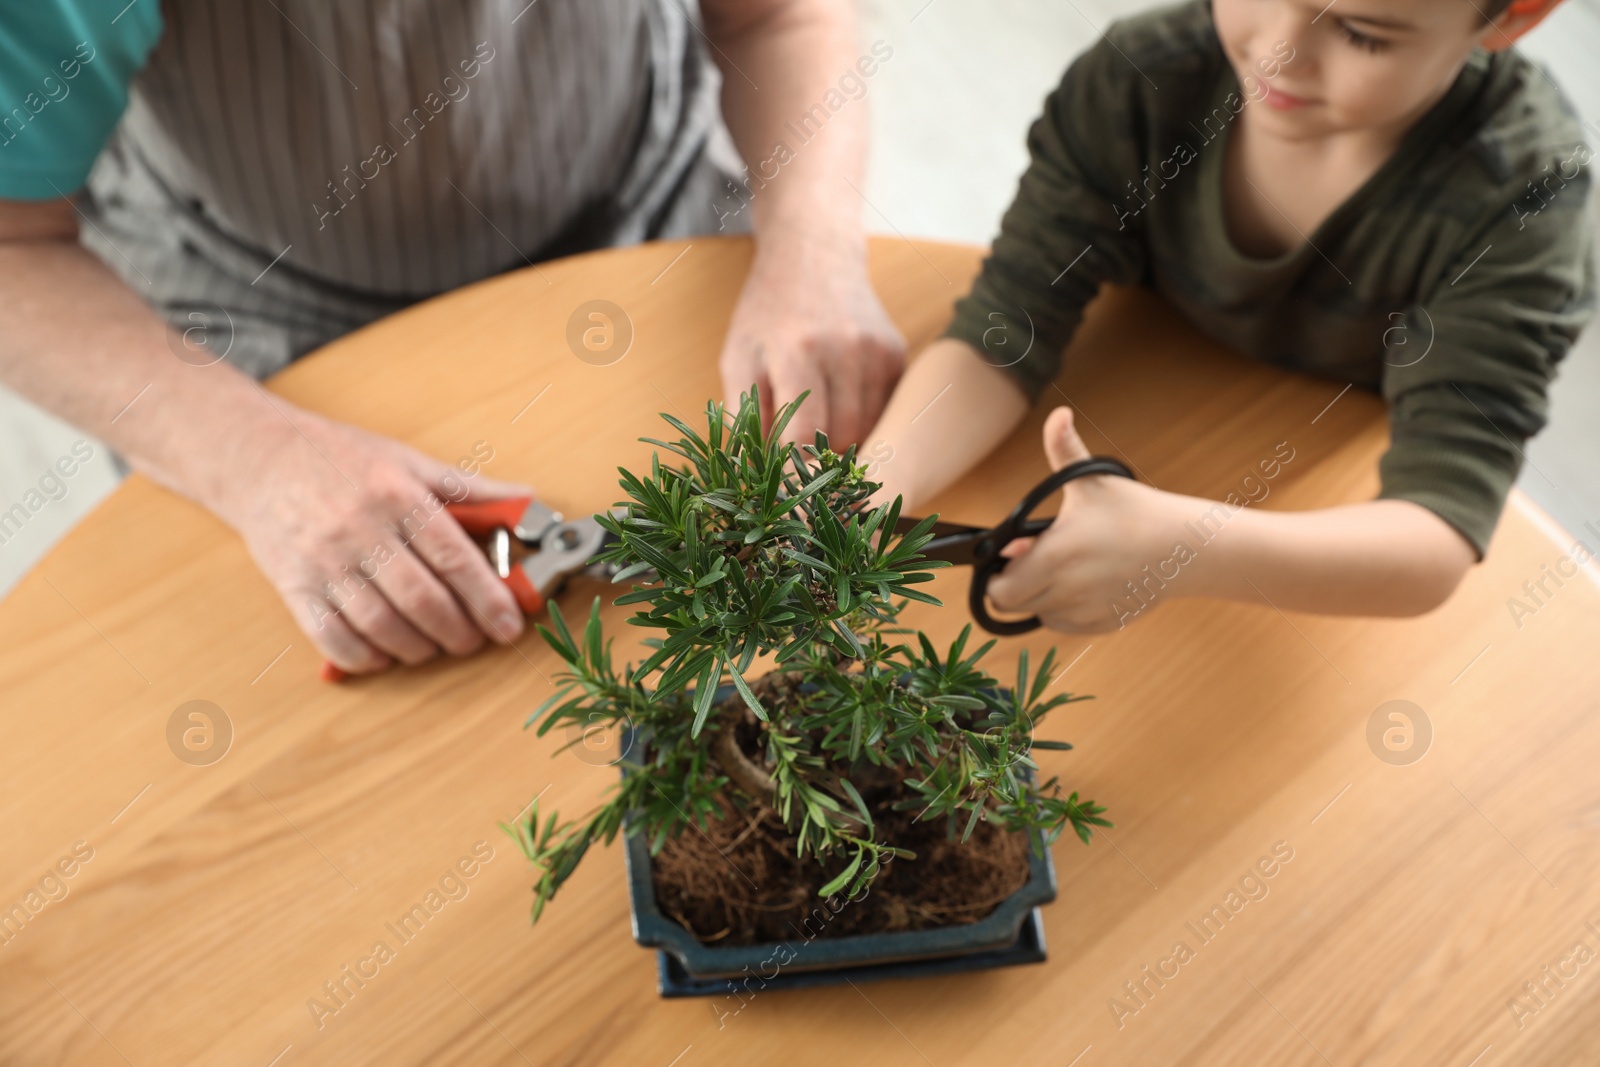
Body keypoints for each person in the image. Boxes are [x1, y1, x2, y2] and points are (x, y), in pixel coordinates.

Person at [0, 0, 905, 674]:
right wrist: (254, 460)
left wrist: (813, 251)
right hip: (258, 314)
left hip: (641, 213)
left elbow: (778, 18)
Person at [864, 0, 1594, 632]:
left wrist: (1187, 549)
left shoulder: (1525, 205)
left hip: (1312, 492)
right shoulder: (1140, 79)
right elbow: (1002, 328)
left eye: (1363, 34)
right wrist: (859, 497)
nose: (1277, 52)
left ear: (1516, 13)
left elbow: (1434, 535)